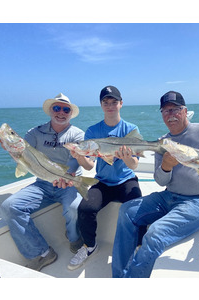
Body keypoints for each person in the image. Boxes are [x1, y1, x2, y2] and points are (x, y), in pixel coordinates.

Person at [112, 91, 199, 278]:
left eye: (175, 109)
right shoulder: (163, 142)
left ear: (184, 111)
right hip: (168, 196)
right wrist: (166, 166)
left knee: (155, 233)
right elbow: (160, 181)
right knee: (127, 211)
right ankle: (119, 277)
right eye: (165, 111)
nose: (171, 115)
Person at [0, 93, 84, 271]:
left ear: (70, 113)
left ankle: (74, 238)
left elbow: (74, 164)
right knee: (9, 206)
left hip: (68, 182)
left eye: (65, 109)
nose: (61, 112)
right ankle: (43, 253)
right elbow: (23, 157)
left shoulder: (78, 135)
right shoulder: (34, 132)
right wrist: (11, 149)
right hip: (43, 185)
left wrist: (68, 176)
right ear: (50, 111)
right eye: (56, 108)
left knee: (74, 208)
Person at [67, 85, 142, 270]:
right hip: (103, 182)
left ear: (121, 104)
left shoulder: (131, 129)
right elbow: (90, 165)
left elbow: (135, 165)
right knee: (85, 207)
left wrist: (127, 158)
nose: (110, 106)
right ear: (101, 105)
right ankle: (90, 246)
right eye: (106, 102)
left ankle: (139, 246)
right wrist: (80, 156)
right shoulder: (92, 132)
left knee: (137, 207)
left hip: (126, 179)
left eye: (114, 102)